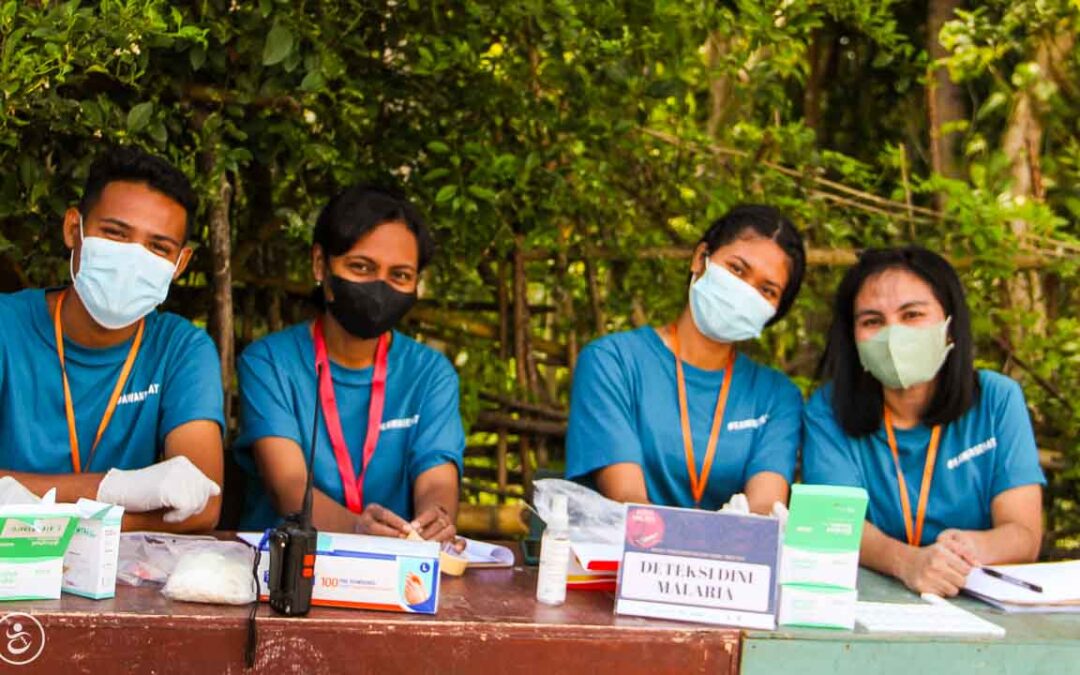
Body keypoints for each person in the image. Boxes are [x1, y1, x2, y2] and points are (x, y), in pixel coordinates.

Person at [0, 146, 225, 531]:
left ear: (180, 264)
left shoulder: (182, 350)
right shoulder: (7, 325)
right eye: (116, 233)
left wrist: (41, 512)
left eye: (158, 247)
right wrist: (113, 488)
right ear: (75, 229)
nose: (133, 258)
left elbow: (202, 506)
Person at [804, 246, 1045, 596]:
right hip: (867, 605)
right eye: (872, 321)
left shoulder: (997, 399)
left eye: (912, 315)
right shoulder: (828, 409)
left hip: (975, 603)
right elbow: (837, 522)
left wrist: (969, 548)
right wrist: (907, 562)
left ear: (950, 325)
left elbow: (1023, 534)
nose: (893, 334)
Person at [235, 184, 464, 542]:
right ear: (319, 264)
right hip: (286, 570)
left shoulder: (431, 374)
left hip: (395, 575)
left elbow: (437, 476)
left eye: (400, 275)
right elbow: (289, 486)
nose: (380, 287)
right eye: (361, 267)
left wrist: (434, 521)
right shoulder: (269, 363)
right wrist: (357, 530)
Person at [565, 205, 806, 514]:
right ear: (700, 259)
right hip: (623, 557)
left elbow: (764, 509)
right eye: (737, 269)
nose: (745, 292)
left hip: (733, 561)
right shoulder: (612, 363)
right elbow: (626, 498)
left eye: (767, 289)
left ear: (776, 310)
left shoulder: (777, 397)